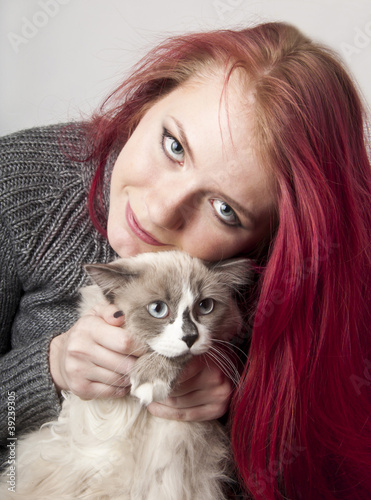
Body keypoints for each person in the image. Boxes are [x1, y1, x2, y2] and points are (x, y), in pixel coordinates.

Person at [1, 21, 370, 499]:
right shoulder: (21, 186)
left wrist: (241, 407)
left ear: (269, 242)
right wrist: (45, 371)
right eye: (173, 146)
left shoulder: (290, 284)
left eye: (224, 210)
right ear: (152, 97)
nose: (158, 210)